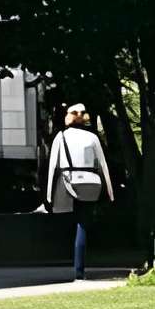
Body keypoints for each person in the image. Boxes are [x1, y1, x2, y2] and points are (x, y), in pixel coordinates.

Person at [46, 104, 113, 280]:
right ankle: (80, 270)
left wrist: (48, 196)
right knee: (82, 225)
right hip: (91, 183)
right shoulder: (92, 137)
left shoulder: (60, 138)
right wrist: (110, 194)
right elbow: (102, 166)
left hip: (66, 183)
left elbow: (53, 167)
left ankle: (74, 266)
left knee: (68, 223)